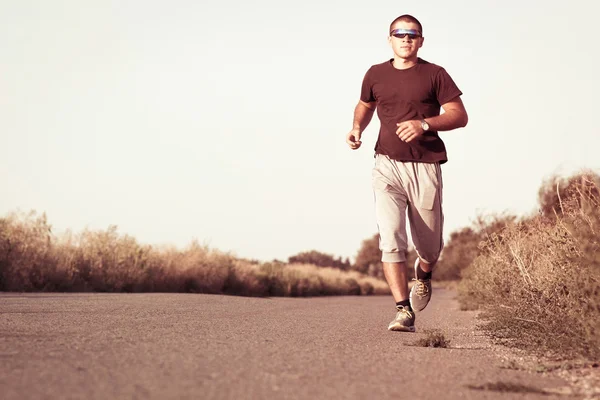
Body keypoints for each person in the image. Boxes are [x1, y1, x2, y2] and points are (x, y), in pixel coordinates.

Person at [346, 14, 468, 332]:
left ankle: (424, 273)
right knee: (391, 239)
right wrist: (357, 128)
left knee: (429, 247)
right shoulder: (375, 73)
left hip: (425, 166)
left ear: (421, 41)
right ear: (390, 39)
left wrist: (424, 123)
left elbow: (459, 115)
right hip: (385, 164)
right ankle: (403, 311)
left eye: (412, 34)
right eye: (399, 34)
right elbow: (365, 104)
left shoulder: (435, 74)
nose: (405, 39)